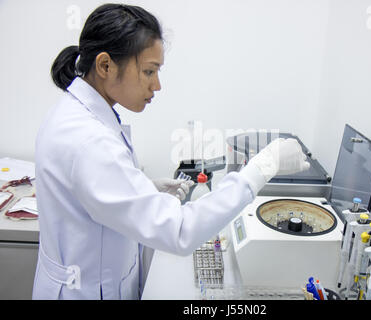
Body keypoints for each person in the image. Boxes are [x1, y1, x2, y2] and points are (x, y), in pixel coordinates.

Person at [32, 3, 310, 300]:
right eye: (148, 71)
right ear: (105, 66)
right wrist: (264, 166)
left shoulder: (77, 113)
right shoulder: (88, 140)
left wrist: (143, 189)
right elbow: (179, 231)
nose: (157, 85)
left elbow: (90, 192)